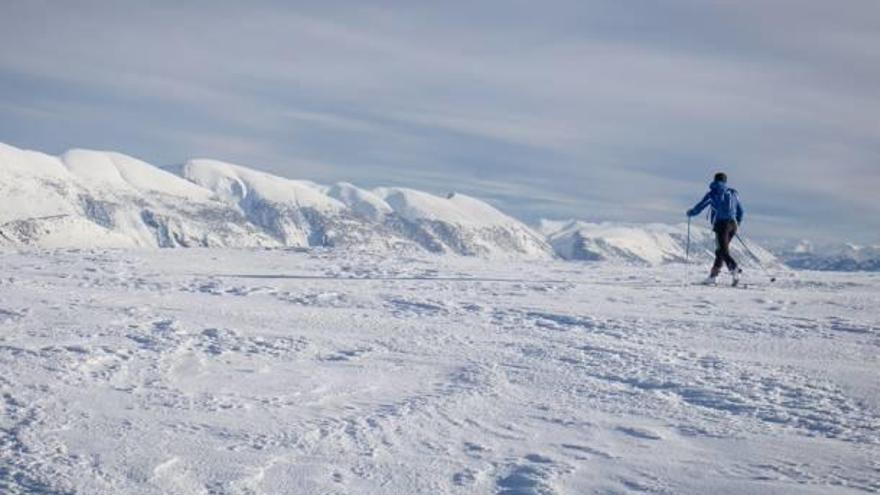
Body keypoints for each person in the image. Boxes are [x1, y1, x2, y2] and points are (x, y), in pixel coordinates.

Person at [687, 172, 745, 285]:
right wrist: (737, 222)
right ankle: (713, 277)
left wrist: (691, 213)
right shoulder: (733, 193)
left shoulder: (712, 193)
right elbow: (741, 211)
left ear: (714, 180)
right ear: (725, 181)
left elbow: (701, 205)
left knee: (722, 250)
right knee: (721, 251)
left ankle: (734, 268)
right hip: (733, 225)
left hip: (721, 225)